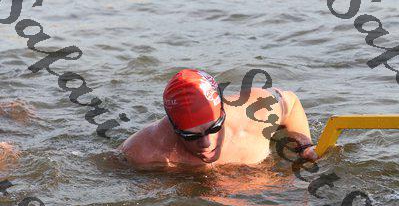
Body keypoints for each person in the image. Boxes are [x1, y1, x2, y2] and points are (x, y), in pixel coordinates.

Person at [119, 69, 318, 168]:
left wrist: (305, 146)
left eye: (214, 128)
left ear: (223, 112)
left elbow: (291, 104)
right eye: (191, 136)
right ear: (174, 128)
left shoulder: (258, 112)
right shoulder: (143, 152)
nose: (206, 143)